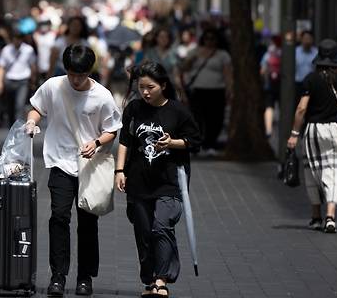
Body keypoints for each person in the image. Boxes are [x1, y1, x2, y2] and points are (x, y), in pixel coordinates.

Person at [24, 44, 122, 297]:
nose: (76, 80)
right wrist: (31, 122)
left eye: (81, 74)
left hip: (90, 165)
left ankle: (85, 277)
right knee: (59, 217)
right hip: (59, 162)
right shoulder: (53, 86)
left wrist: (98, 142)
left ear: (90, 70)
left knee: (88, 223)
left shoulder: (102, 96)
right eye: (72, 74)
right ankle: (58, 276)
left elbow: (112, 129)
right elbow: (37, 108)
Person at [115, 61, 201, 298]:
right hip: (138, 181)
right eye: (142, 87)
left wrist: (172, 143)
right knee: (143, 232)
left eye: (150, 87)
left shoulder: (178, 110)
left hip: (168, 181)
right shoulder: (133, 109)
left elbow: (194, 141)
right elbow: (125, 140)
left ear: (163, 85)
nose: (145, 92)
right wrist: (119, 171)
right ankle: (151, 278)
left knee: (161, 226)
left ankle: (162, 281)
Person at [287, 39, 337, 233]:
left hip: (313, 130)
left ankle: (316, 216)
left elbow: (301, 109)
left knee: (313, 170)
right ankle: (331, 216)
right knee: (336, 171)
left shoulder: (310, 79)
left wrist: (294, 133)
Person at [181, 28, 232, 156]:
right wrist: (192, 59)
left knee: (215, 119)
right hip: (198, 90)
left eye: (212, 38)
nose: (209, 41)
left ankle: (210, 144)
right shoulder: (195, 52)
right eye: (207, 38)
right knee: (197, 119)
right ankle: (197, 144)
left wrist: (229, 89)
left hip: (217, 91)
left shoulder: (223, 55)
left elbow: (227, 74)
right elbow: (184, 68)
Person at [0, 28, 37, 127]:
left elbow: (33, 66)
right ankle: (11, 125)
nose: (17, 41)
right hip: (9, 80)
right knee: (10, 106)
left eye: (19, 38)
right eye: (15, 38)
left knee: (20, 105)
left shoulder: (28, 50)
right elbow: (1, 67)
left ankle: (18, 126)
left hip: (23, 80)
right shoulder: (6, 50)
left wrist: (33, 80)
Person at [260, 35, 282, 138]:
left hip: (270, 84)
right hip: (283, 85)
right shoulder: (287, 52)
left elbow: (263, 70)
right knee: (284, 107)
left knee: (269, 106)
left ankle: (268, 130)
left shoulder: (269, 53)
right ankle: (285, 127)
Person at [295, 30, 318, 101]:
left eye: (309, 39)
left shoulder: (316, 52)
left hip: (312, 85)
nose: (307, 41)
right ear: (301, 39)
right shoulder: (295, 52)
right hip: (298, 84)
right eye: (305, 39)